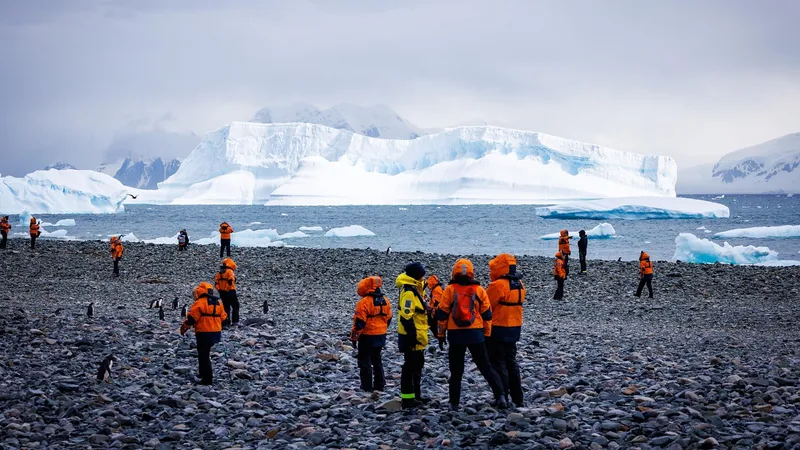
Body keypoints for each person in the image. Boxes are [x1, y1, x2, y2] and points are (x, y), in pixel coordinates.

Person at [436, 258, 508, 410]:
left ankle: (454, 404)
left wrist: (441, 335)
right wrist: (486, 334)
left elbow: (442, 315)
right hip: (475, 333)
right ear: (471, 272)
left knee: (456, 371)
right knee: (485, 366)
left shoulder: (449, 290)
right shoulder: (478, 290)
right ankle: (501, 396)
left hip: (456, 335)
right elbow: (487, 314)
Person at [486, 253, 526, 407]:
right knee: (511, 362)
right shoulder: (520, 284)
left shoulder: (497, 285)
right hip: (515, 328)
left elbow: (487, 306)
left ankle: (502, 396)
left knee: (498, 363)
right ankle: (518, 397)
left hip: (498, 327)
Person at [349, 276, 392, 392]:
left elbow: (359, 323)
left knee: (364, 361)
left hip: (367, 335)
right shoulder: (385, 301)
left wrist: (354, 337)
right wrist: (382, 330)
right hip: (381, 335)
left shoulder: (364, 302)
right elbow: (388, 318)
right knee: (377, 359)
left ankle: (366, 386)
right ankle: (380, 385)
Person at [179, 281, 227, 385]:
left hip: (204, 332)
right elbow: (224, 317)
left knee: (203, 354)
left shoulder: (200, 302)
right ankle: (202, 373)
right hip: (216, 332)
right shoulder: (218, 302)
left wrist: (184, 328)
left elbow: (191, 318)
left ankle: (207, 379)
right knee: (205, 352)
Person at [396, 262, 429, 409]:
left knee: (417, 365)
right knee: (410, 366)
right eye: (422, 274)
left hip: (418, 335)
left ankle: (417, 395)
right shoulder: (409, 292)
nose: (424, 276)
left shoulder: (416, 289)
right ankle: (408, 398)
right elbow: (406, 316)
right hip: (411, 335)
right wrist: (412, 336)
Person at [214, 257, 239, 327]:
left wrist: (220, 290)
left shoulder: (219, 272)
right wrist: (227, 289)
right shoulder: (230, 271)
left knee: (226, 307)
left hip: (222, 292)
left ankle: (226, 322)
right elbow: (230, 281)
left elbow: (216, 283)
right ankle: (235, 321)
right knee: (235, 306)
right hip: (230, 291)